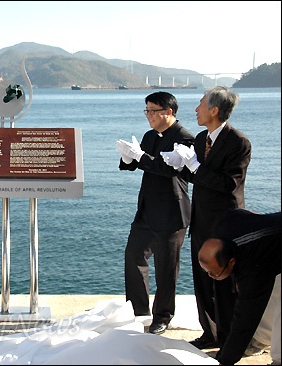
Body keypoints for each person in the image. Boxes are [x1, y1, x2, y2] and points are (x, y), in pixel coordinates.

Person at [162, 86, 252, 350]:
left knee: (224, 284)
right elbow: (197, 178)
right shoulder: (202, 139)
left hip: (226, 224)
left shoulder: (238, 142)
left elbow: (228, 184)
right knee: (202, 281)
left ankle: (229, 338)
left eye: (200, 104)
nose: (196, 109)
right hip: (200, 220)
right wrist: (179, 166)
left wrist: (196, 167)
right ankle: (209, 333)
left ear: (214, 109)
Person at [116, 91, 195, 334]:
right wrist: (128, 157)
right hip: (147, 210)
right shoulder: (151, 135)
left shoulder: (185, 138)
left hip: (172, 212)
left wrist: (141, 156)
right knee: (134, 256)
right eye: (146, 111)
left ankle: (162, 316)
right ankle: (139, 312)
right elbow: (139, 164)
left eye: (152, 111)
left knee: (166, 268)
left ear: (168, 112)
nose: (148, 116)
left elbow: (168, 170)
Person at [197, 208, 281, 365]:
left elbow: (245, 320)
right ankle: (260, 340)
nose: (210, 276)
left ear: (232, 262)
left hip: (274, 245)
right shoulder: (222, 224)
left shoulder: (254, 269)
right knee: (273, 296)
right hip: (273, 233)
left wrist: (225, 361)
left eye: (214, 274)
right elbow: (239, 213)